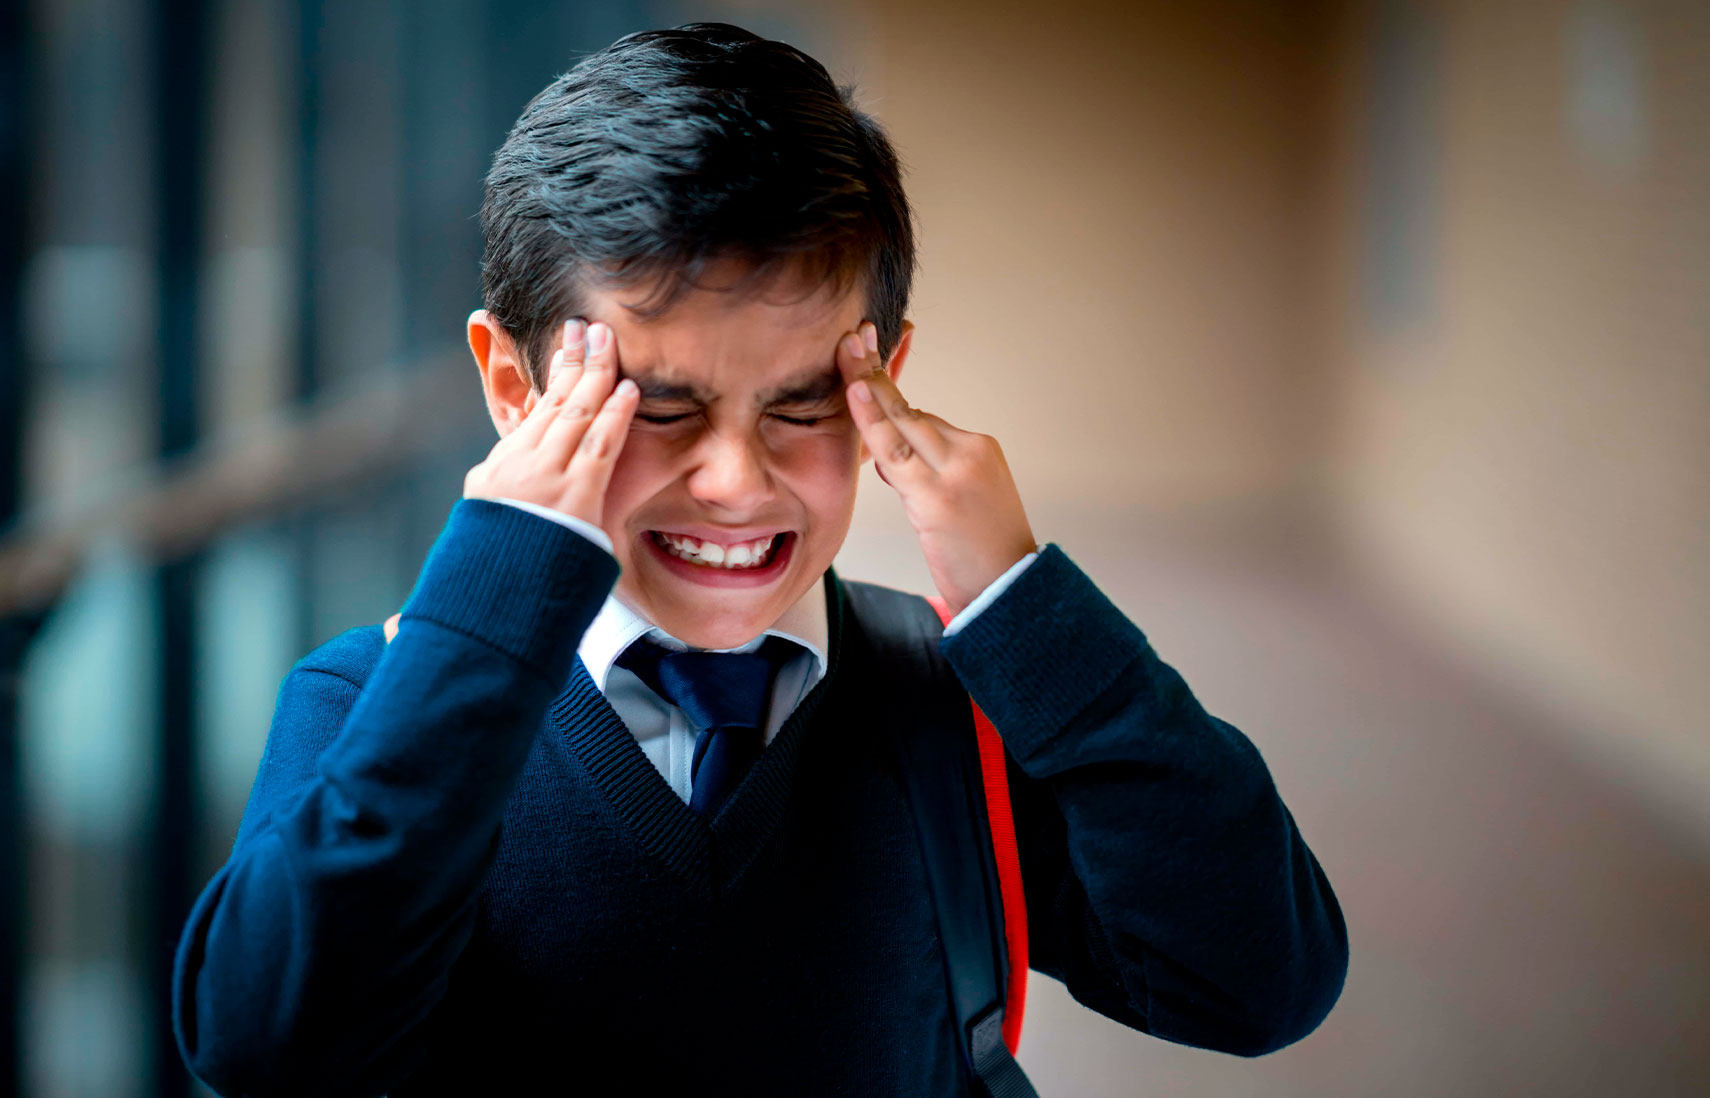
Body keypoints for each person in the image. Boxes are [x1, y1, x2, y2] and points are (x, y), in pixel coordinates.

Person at [172, 22, 1347, 1097]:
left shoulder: (963, 702)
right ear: (514, 390)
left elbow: (1256, 983)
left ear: (884, 380)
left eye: (801, 405)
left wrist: (1026, 608)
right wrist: (488, 605)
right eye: (658, 407)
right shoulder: (377, 703)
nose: (736, 482)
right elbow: (267, 1045)